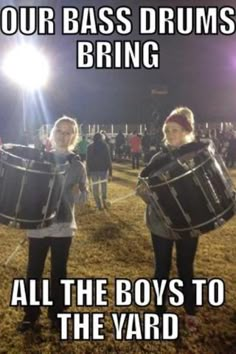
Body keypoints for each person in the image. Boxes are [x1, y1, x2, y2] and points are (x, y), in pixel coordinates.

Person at [17, 116, 88, 332]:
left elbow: (83, 197)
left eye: (68, 133)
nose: (63, 136)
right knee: (34, 270)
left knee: (59, 271)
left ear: (74, 137)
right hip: (39, 224)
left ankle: (57, 312)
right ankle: (31, 314)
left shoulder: (77, 164)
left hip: (64, 225)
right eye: (60, 131)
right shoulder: (40, 158)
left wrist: (79, 193)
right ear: (53, 133)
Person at [137, 107, 199, 332]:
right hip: (161, 224)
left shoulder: (197, 156)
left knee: (186, 267)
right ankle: (160, 311)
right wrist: (145, 192)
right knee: (161, 267)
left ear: (186, 131)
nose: (171, 134)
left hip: (189, 224)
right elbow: (143, 185)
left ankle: (190, 311)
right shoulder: (158, 157)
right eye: (168, 130)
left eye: (176, 130)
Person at [86, 132, 112, 210]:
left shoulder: (89, 147)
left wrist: (88, 173)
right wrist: (110, 172)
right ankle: (104, 202)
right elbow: (108, 159)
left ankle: (98, 204)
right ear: (101, 138)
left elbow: (88, 161)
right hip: (103, 170)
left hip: (93, 170)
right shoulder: (105, 146)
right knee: (104, 186)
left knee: (95, 187)